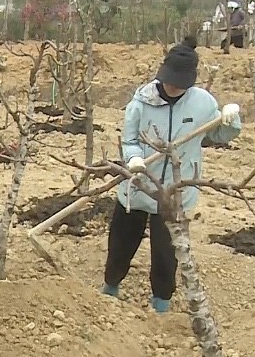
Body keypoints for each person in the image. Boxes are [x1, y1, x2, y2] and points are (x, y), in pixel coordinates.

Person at [100, 36, 242, 313]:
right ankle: (110, 287)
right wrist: (134, 159)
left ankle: (161, 302)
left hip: (176, 193)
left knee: (166, 254)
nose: (173, 87)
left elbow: (219, 134)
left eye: (180, 83)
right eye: (170, 81)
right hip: (138, 188)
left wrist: (231, 121)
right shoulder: (141, 102)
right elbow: (129, 140)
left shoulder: (202, 103)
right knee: (120, 244)